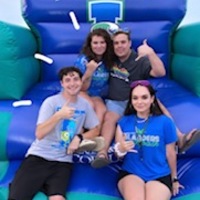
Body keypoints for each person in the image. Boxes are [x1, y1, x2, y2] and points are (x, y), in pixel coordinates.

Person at [91, 29, 200, 168]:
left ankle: (180, 138)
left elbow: (160, 72)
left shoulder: (139, 60)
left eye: (123, 42)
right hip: (116, 102)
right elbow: (95, 51)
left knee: (157, 104)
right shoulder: (111, 59)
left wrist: (150, 53)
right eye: (116, 43)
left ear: (129, 43)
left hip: (136, 101)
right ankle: (102, 153)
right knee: (109, 118)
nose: (119, 46)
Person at [8, 66, 100, 200]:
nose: (72, 83)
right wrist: (58, 115)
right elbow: (39, 133)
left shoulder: (84, 105)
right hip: (39, 157)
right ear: (62, 84)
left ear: (81, 82)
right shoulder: (51, 102)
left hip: (62, 162)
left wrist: (79, 137)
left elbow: (96, 129)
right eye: (67, 80)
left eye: (75, 79)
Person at [115, 80, 183, 200]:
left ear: (152, 99)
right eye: (135, 98)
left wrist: (174, 178)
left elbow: (170, 153)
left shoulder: (165, 122)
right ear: (131, 101)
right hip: (132, 173)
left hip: (159, 174)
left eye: (144, 97)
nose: (139, 102)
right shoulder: (124, 122)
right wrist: (121, 149)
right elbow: (118, 154)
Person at [74, 28, 115, 130]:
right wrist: (89, 72)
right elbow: (81, 88)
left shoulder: (109, 60)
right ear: (90, 45)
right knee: (89, 105)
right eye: (95, 43)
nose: (99, 46)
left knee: (102, 110)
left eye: (102, 42)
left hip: (96, 94)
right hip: (78, 91)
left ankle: (93, 138)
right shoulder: (83, 61)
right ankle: (77, 135)